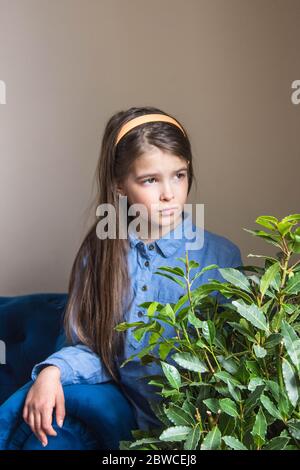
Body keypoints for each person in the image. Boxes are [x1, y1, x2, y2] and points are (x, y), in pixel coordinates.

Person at [22, 106, 243, 448]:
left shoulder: (221, 257)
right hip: (133, 431)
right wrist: (53, 371)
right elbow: (95, 347)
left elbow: (234, 368)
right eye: (150, 180)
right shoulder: (99, 252)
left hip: (204, 431)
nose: (169, 194)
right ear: (120, 186)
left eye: (179, 175)